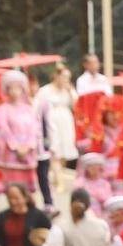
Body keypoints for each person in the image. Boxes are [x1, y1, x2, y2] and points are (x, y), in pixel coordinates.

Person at [0, 72, 44, 215]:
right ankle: (6, 209)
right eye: (11, 88)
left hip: (27, 152)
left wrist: (28, 145)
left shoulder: (29, 109)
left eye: (18, 88)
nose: (14, 92)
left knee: (27, 183)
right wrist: (15, 146)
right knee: (10, 183)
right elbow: (3, 128)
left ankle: (29, 210)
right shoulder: (3, 109)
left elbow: (35, 128)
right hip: (11, 152)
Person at [38, 65, 80, 207]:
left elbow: (76, 105)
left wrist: (70, 91)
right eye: (63, 77)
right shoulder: (45, 90)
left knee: (64, 152)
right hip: (51, 121)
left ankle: (57, 176)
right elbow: (38, 107)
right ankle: (60, 181)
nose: (65, 80)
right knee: (53, 151)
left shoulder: (68, 91)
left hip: (66, 121)